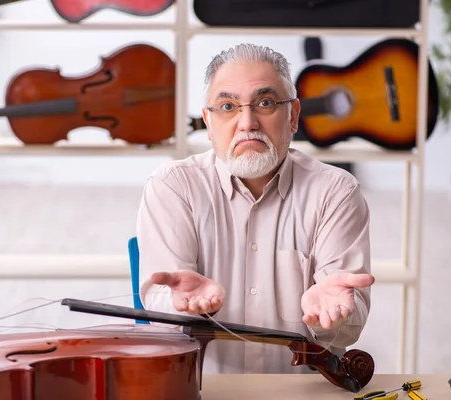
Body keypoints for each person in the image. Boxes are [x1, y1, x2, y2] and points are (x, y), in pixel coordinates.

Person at [135, 43, 376, 375]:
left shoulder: (335, 191)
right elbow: (161, 322)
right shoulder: (173, 186)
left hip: (299, 397)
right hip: (205, 393)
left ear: (293, 116)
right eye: (227, 105)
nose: (247, 123)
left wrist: (331, 317)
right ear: (208, 122)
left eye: (265, 103)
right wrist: (184, 308)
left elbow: (349, 328)